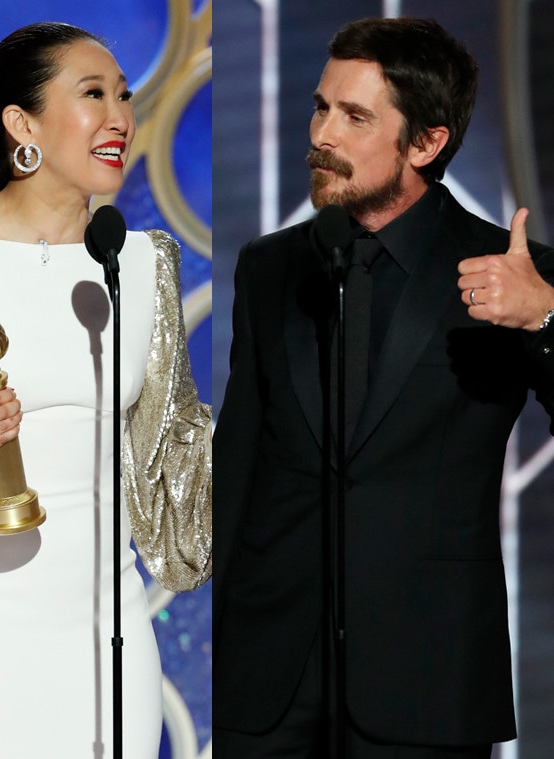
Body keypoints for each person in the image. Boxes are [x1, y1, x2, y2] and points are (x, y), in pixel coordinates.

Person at [211, 16, 554, 758]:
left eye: (355, 116)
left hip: (425, 676)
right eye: (321, 106)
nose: (323, 133)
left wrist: (544, 317)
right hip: (269, 682)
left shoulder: (511, 270)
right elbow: (239, 457)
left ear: (426, 143)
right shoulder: (269, 267)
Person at [0, 21, 212, 758]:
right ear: (22, 124)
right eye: (93, 94)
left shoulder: (143, 263)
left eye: (123, 95)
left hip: (106, 617)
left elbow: (172, 445)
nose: (120, 116)